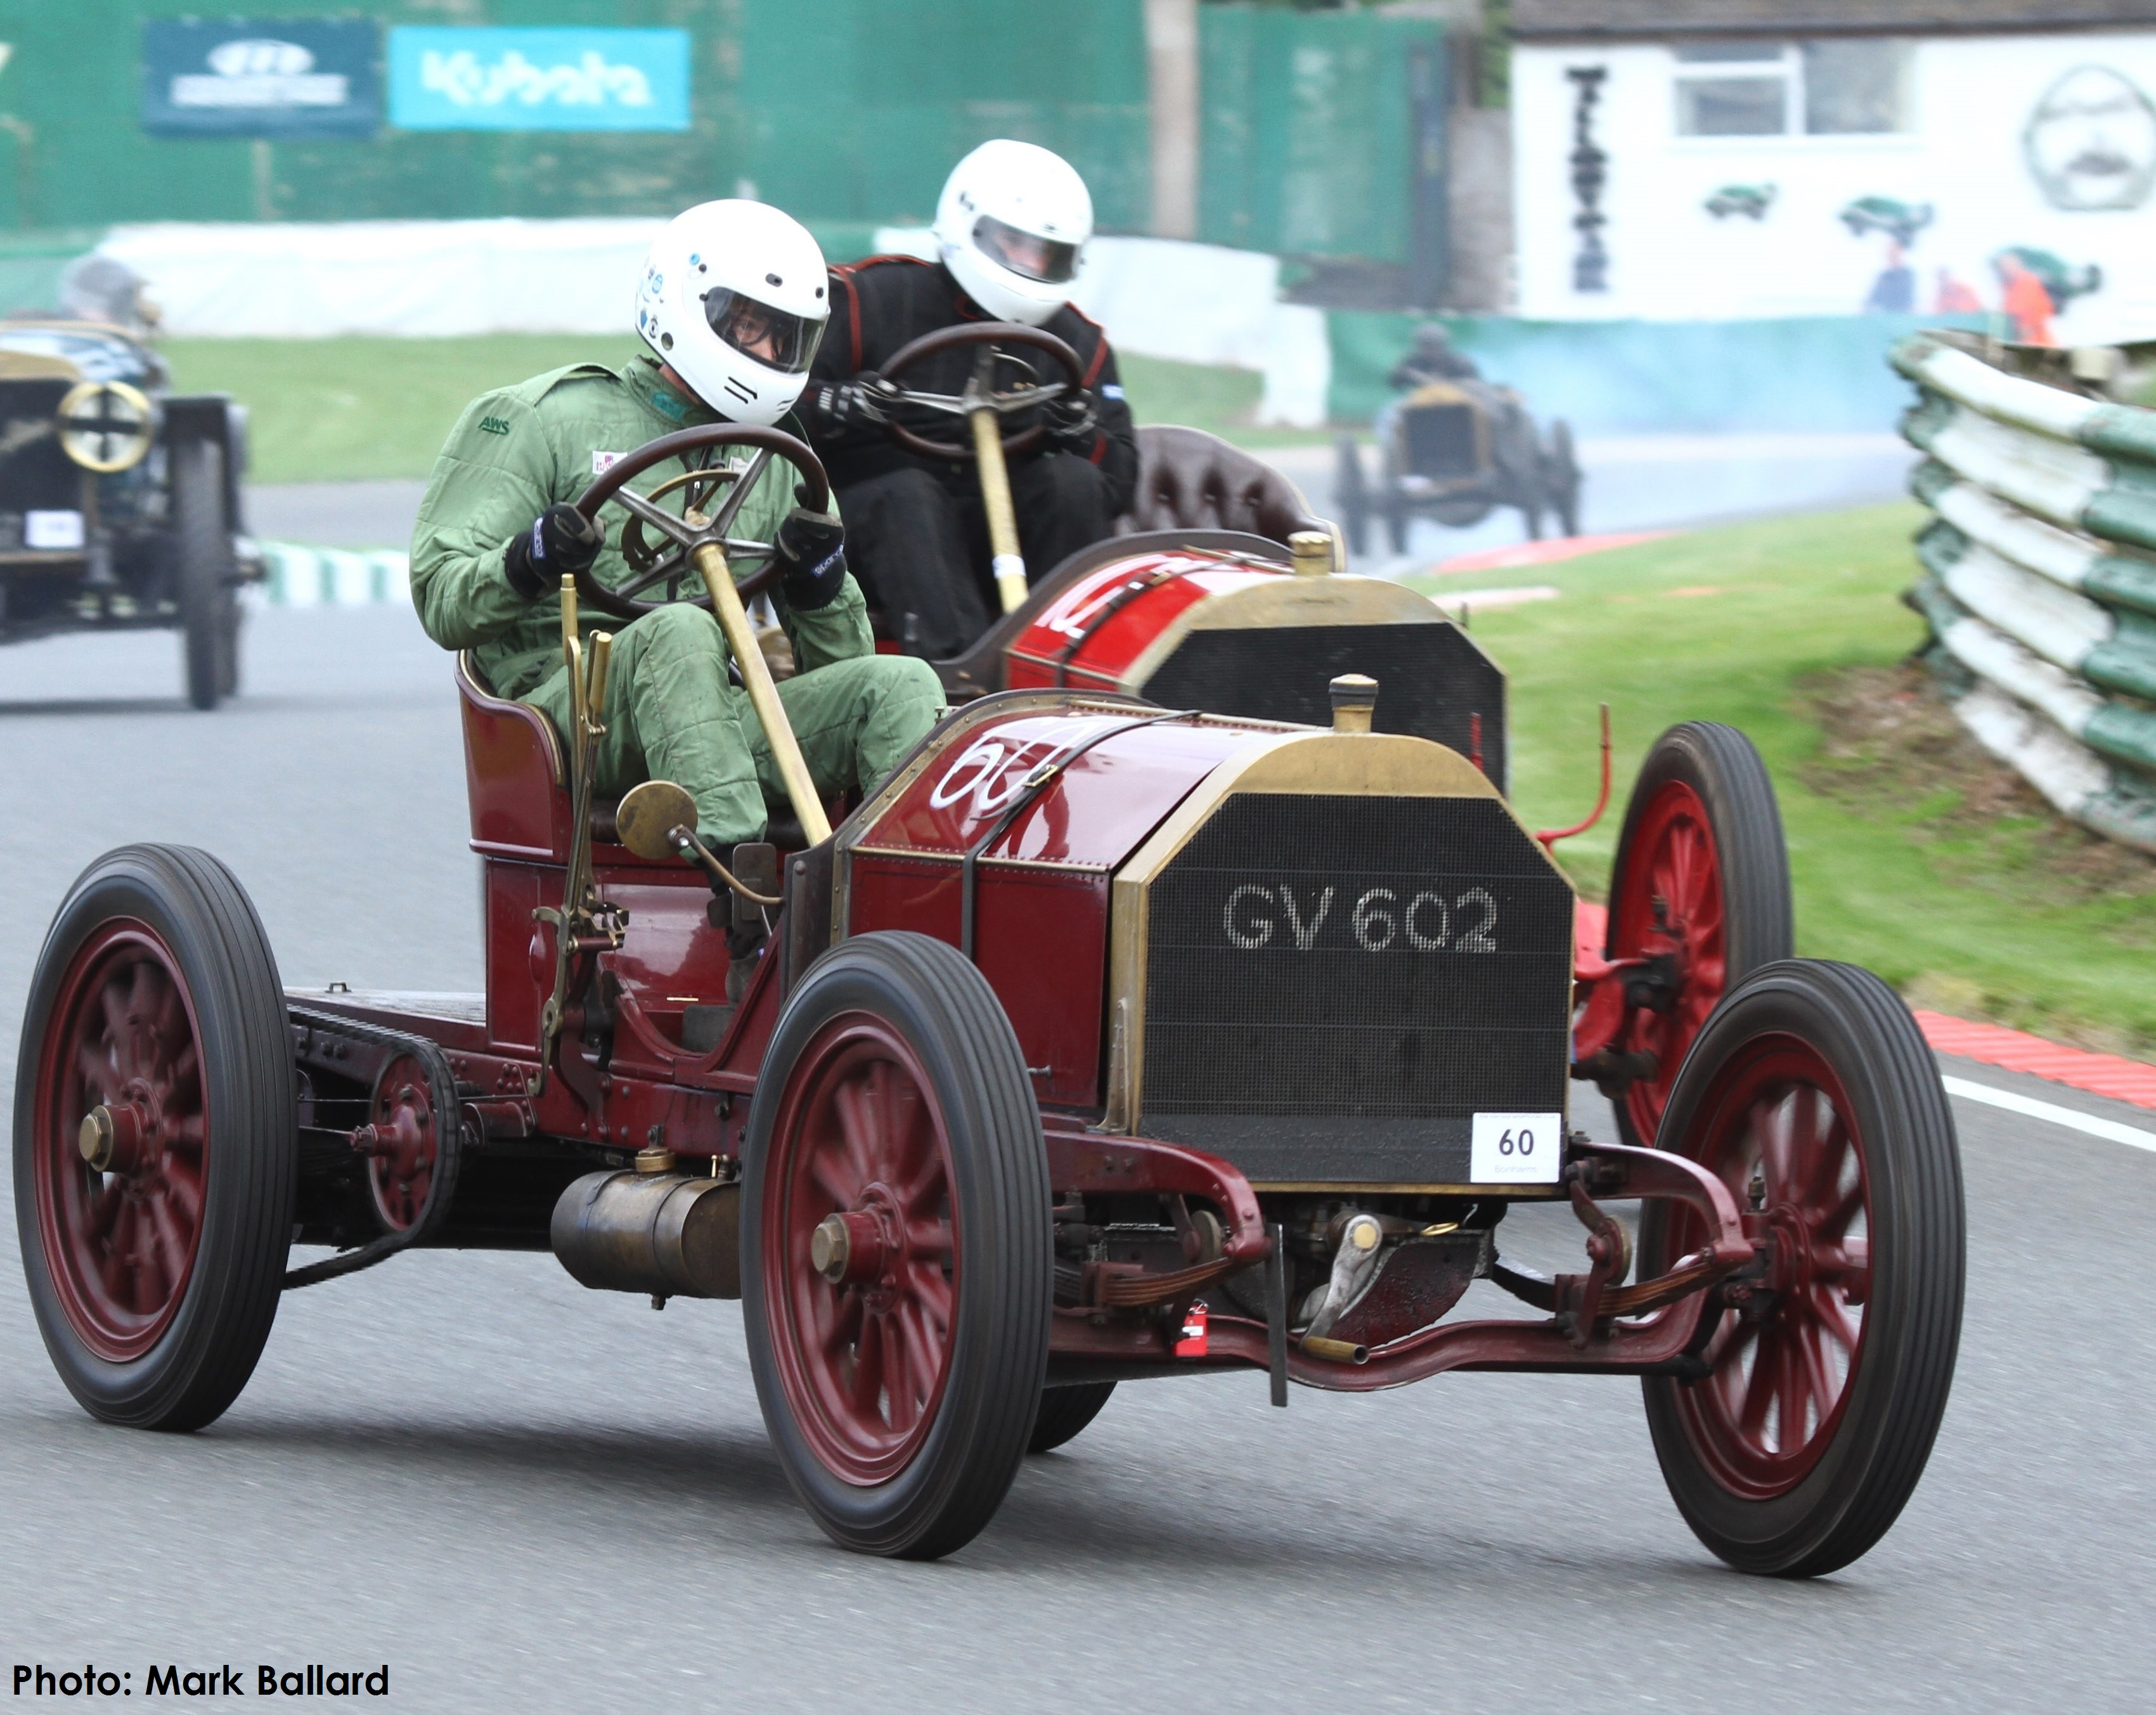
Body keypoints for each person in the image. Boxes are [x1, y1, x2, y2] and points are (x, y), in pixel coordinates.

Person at [410, 200, 945, 864]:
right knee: (679, 628)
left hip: (707, 712)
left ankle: (898, 890)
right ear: (691, 306)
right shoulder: (538, 418)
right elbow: (440, 599)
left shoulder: (774, 455)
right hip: (568, 715)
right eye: (753, 328)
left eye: (789, 339)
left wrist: (819, 584)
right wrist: (531, 558)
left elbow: (842, 663)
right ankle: (737, 874)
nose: (772, 354)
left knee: (902, 684)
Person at [798, 139, 1138, 659]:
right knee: (908, 494)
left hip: (1010, 540)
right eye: (1012, 242)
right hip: (876, 540)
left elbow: (1118, 481)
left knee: (1072, 481)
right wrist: (843, 405)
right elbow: (781, 403)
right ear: (967, 223)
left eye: (1044, 252)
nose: (1028, 261)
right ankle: (958, 675)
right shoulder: (871, 298)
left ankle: (1065, 661)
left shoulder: (1080, 344)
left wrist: (1080, 432)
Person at [1388, 322, 1480, 390]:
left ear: (1444, 345)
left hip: (1458, 403)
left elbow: (1474, 385)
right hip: (1420, 403)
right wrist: (1403, 372)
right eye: (1425, 346)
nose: (1430, 350)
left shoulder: (1460, 362)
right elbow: (1394, 383)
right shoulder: (1412, 362)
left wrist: (1424, 379)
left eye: (1435, 345)